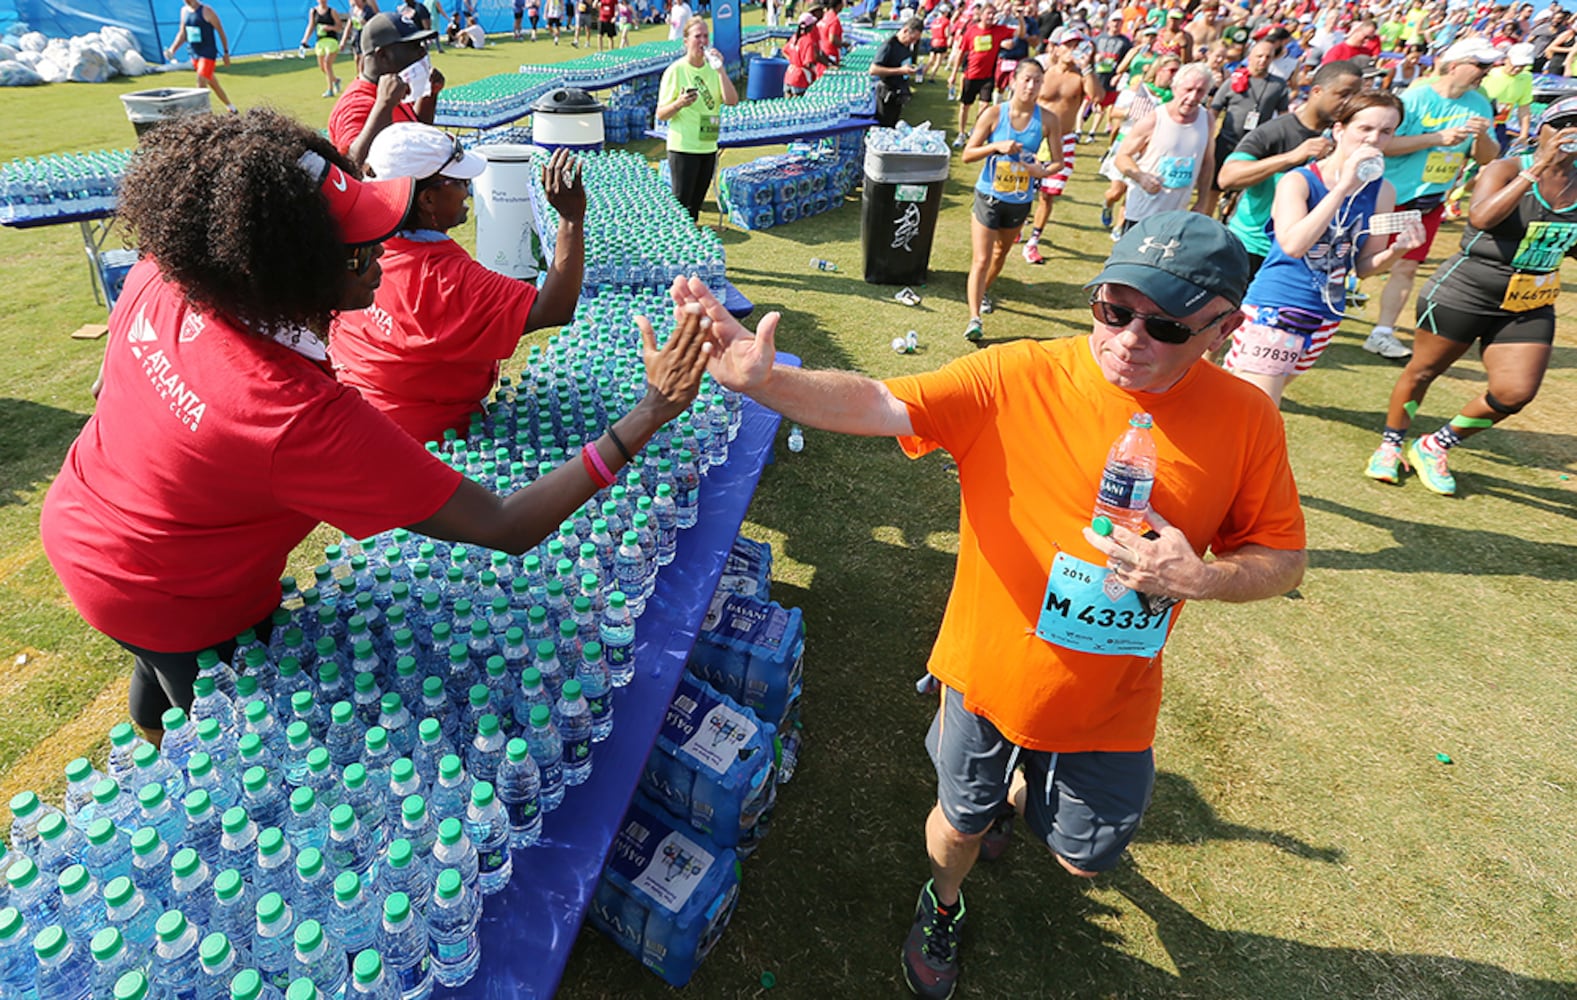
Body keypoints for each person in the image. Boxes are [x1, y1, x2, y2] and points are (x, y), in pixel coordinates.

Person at [668, 210, 1306, 1000]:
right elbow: (875, 400)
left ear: (1223, 328)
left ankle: (1019, 793)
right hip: (986, 668)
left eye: (1167, 325)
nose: (1130, 337)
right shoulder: (1017, 374)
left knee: (1081, 858)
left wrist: (1203, 577)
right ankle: (940, 905)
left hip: (1109, 695)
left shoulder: (1246, 419)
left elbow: (1281, 558)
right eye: (1113, 307)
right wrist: (767, 381)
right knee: (959, 824)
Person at [38, 108, 712, 738]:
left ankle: (154, 726)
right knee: (219, 721)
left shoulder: (169, 273)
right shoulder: (293, 413)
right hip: (171, 590)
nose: (385, 260)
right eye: (360, 251)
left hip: (81, 519)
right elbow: (506, 527)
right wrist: (649, 411)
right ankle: (175, 759)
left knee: (151, 662)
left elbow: (106, 383)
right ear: (290, 271)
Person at [1364, 98, 1577, 495]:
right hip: (1467, 288)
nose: (1571, 134)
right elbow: (1481, 217)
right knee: (1423, 372)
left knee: (1515, 392)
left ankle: (1435, 444)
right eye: (1564, 124)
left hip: (1529, 300)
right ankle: (1390, 444)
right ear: (1542, 129)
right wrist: (1537, 168)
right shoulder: (1506, 168)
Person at [331, 126, 584, 443]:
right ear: (427, 199)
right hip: (429, 442)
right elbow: (554, 309)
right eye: (460, 182)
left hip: (351, 418)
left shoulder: (359, 245)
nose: (468, 189)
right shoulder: (449, 279)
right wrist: (571, 219)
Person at [1223, 90, 1426, 406]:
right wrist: (1343, 186)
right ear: (1339, 129)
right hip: (1277, 307)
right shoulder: (1299, 181)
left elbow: (1363, 266)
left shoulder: (1383, 191)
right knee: (1255, 409)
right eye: (1365, 128)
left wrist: (1397, 250)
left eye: (1386, 132)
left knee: (1237, 401)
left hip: (1326, 316)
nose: (1374, 139)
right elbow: (1293, 244)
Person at [1363, 38, 1500, 361]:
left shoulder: (1480, 104)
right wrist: (1435, 138)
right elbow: (1382, 144)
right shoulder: (1414, 98)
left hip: (1430, 201)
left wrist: (1480, 137)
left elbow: (1487, 158)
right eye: (1480, 65)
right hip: (1389, 195)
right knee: (1361, 258)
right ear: (1456, 65)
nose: (1485, 72)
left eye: (1488, 67)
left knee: (1407, 267)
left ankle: (1382, 332)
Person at [1219, 59, 1362, 273]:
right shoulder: (1275, 132)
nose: (1349, 102)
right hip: (1253, 248)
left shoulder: (1345, 137)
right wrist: (1291, 158)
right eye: (1343, 94)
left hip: (1307, 250)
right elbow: (1227, 178)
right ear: (1316, 91)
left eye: (1355, 96)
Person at [960, 60, 1055, 341]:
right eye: (1026, 79)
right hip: (989, 195)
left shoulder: (1048, 120)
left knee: (1001, 254)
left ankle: (983, 291)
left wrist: (1041, 171)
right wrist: (995, 146)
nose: (1031, 86)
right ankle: (974, 318)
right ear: (1013, 80)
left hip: (1019, 200)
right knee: (981, 258)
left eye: (1037, 80)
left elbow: (1058, 162)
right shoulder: (993, 114)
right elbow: (967, 154)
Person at [1023, 28, 1102, 264]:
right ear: (1057, 48)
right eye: (1068, 45)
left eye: (1078, 45)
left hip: (1062, 141)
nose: (1073, 50)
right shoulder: (1043, 74)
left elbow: (1097, 97)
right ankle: (1018, 223)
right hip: (1034, 138)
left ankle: (1033, 241)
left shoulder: (1081, 77)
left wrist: (1088, 68)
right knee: (1025, 187)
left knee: (1048, 195)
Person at [328, 12, 444, 168]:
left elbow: (417, 132)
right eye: (413, 46)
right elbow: (352, 166)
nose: (422, 52)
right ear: (383, 56)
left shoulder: (394, 88)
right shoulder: (355, 105)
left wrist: (429, 95)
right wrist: (384, 105)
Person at [1113, 61, 1215, 233]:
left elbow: (1207, 163)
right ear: (1175, 88)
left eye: (1200, 91)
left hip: (1177, 215)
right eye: (1188, 89)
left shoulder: (1207, 119)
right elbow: (1122, 157)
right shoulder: (1154, 119)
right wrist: (1140, 177)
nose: (1192, 97)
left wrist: (1202, 202)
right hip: (1142, 213)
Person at [656, 17, 739, 221]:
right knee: (681, 207)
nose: (702, 41)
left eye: (705, 36)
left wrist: (721, 70)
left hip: (708, 147)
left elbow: (732, 101)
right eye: (697, 36)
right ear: (686, 41)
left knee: (695, 208)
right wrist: (679, 103)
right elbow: (661, 114)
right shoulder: (676, 70)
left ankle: (689, 248)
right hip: (684, 147)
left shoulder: (713, 69)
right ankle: (677, 248)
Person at [1204, 40, 1289, 217]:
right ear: (1250, 57)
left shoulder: (1278, 85)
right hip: (1227, 141)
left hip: (1255, 146)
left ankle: (1228, 216)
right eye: (1259, 56)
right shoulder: (1234, 80)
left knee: (1244, 188)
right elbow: (1215, 109)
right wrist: (1207, 136)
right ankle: (1204, 220)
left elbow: (1283, 115)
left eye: (1268, 57)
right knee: (1213, 187)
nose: (1263, 60)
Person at [1098, 53, 1179, 235]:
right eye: (1171, 70)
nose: (1175, 75)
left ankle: (1120, 227)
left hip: (1150, 151)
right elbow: (1114, 113)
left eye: (1177, 71)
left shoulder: (1173, 98)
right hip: (1127, 145)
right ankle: (1108, 203)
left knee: (1134, 191)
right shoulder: (1138, 89)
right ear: (1159, 70)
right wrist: (1133, 112)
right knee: (1116, 191)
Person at [952, 3, 1023, 149]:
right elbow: (961, 52)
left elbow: (1020, 34)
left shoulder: (999, 30)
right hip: (970, 75)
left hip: (988, 76)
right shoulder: (971, 31)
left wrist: (1020, 18)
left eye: (993, 14)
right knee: (965, 106)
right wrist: (953, 74)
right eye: (988, 13)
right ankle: (961, 133)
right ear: (981, 15)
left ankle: (976, 129)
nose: (991, 17)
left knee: (984, 106)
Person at [164, 0, 237, 114]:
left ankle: (203, 115)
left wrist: (226, 53)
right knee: (213, 83)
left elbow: (220, 31)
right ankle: (231, 107)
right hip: (194, 53)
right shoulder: (184, 11)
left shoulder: (207, 11)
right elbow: (183, 34)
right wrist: (172, 49)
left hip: (207, 53)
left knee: (201, 81)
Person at [1083, 13, 1133, 141]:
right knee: (1088, 100)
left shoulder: (1125, 42)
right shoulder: (1098, 38)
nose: (1116, 24)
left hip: (1112, 77)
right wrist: (1094, 58)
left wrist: (1119, 75)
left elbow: (1127, 62)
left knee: (1106, 104)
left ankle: (1101, 128)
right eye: (1114, 21)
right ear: (1108, 23)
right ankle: (1079, 128)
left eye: (1119, 22)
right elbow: (1088, 54)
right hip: (1096, 74)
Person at [872, 17, 924, 127]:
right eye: (912, 38)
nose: (913, 42)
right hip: (887, 94)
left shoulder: (906, 46)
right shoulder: (888, 45)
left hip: (899, 93)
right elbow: (873, 69)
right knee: (885, 127)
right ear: (905, 31)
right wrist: (900, 71)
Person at [1482, 43, 1535, 149]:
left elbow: (1524, 108)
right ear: (1506, 59)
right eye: (1515, 64)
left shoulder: (1526, 78)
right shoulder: (1489, 74)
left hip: (1499, 125)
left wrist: (1523, 135)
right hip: (1480, 123)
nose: (1517, 69)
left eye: (1522, 66)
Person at [301, 0, 348, 97]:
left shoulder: (332, 11)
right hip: (320, 42)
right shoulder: (313, 11)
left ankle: (330, 90)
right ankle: (335, 80)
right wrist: (305, 40)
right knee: (323, 67)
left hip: (331, 41)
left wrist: (330, 28)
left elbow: (339, 27)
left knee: (327, 63)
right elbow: (311, 26)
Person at [784, 12, 826, 96]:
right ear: (810, 26)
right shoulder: (808, 41)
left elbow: (785, 51)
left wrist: (794, 61)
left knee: (787, 105)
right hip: (800, 78)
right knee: (798, 106)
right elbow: (808, 63)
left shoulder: (795, 37)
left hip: (789, 75)